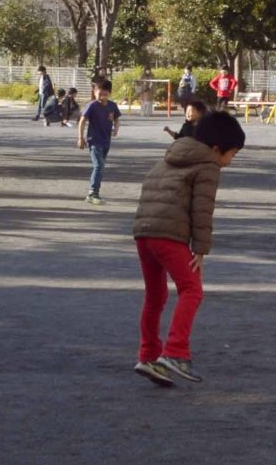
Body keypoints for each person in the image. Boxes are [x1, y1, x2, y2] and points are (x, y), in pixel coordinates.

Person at [131, 108, 247, 386]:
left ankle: (148, 357)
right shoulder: (208, 165)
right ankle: (175, 352)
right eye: (233, 154)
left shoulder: (170, 157)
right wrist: (201, 249)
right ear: (217, 149)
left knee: (155, 297)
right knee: (192, 289)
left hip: (143, 233)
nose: (231, 161)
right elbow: (202, 209)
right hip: (169, 235)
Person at [79, 74, 120, 204]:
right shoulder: (92, 106)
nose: (102, 96)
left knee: (101, 167)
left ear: (109, 93)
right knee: (98, 165)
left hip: (106, 141)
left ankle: (95, 192)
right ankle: (92, 193)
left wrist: (116, 129)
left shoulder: (112, 106)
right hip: (94, 140)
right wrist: (80, 137)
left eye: (105, 94)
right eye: (99, 93)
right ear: (94, 92)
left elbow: (117, 119)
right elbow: (82, 121)